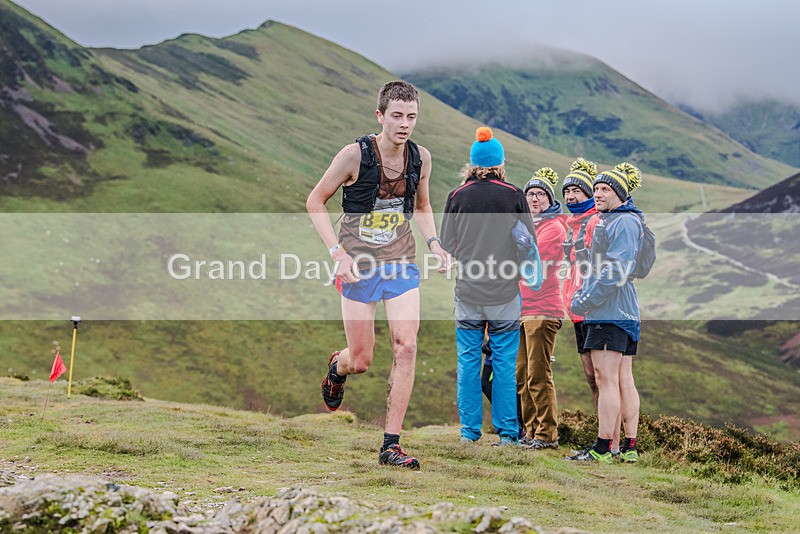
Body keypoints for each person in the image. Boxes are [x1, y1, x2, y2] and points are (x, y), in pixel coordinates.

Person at [306, 81, 448, 470]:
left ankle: (391, 444)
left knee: (406, 346)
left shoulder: (421, 158)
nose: (404, 124)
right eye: (397, 116)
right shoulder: (354, 156)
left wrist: (434, 243)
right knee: (363, 359)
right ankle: (338, 365)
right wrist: (336, 252)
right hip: (357, 267)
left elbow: (422, 205)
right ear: (380, 116)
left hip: (401, 263)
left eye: (412, 117)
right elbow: (315, 200)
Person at [440, 126, 535, 446]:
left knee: (467, 361)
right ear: (500, 163)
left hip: (468, 291)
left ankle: (469, 433)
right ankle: (508, 434)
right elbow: (529, 243)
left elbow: (448, 244)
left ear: (472, 163)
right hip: (505, 293)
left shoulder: (457, 196)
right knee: (505, 364)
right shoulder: (514, 195)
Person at [567, 163, 644, 464]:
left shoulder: (622, 223)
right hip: (622, 309)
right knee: (622, 378)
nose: (598, 193)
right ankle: (626, 446)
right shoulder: (619, 220)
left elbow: (615, 271)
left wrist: (584, 299)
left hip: (610, 310)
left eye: (605, 189)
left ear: (620, 195)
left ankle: (603, 447)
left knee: (605, 378)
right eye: (596, 188)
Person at [561, 158, 621, 454]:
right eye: (567, 192)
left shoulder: (596, 221)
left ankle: (611, 444)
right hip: (577, 310)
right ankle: (605, 441)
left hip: (594, 308)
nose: (571, 197)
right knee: (593, 379)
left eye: (577, 191)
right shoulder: (572, 225)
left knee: (604, 379)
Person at [517, 168, 568, 450]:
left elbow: (532, 267)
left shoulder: (554, 228)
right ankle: (530, 432)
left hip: (543, 309)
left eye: (540, 194)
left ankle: (547, 434)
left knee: (538, 373)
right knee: (522, 375)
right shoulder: (526, 226)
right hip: (522, 309)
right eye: (530, 194)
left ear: (550, 199)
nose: (534, 199)